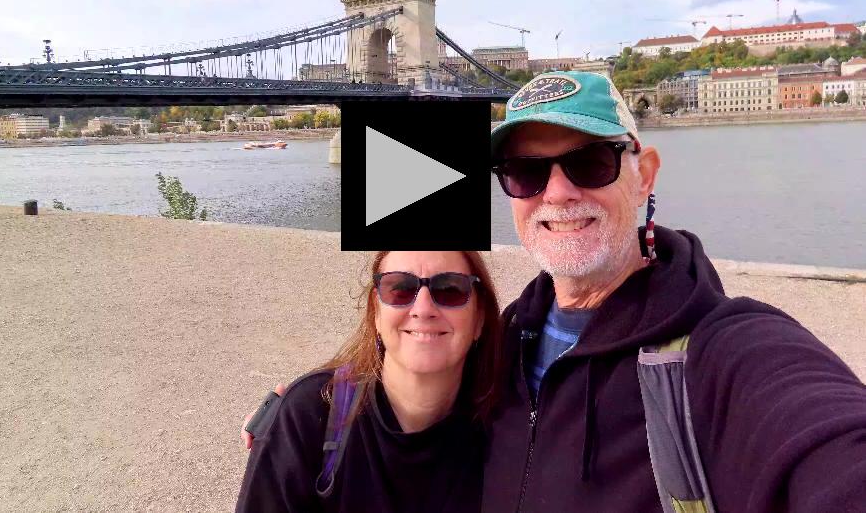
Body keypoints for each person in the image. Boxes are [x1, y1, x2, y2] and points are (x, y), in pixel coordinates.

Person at [243, 71, 866, 512]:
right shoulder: (508, 338)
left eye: (590, 162)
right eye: (525, 172)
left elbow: (829, 445)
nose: (558, 192)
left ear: (643, 174)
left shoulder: (724, 351)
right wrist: (311, 403)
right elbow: (417, 349)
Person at [236, 250, 502, 513]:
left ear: (479, 317)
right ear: (376, 312)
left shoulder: (507, 431)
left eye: (449, 289)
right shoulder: (309, 416)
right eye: (400, 289)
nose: (423, 309)